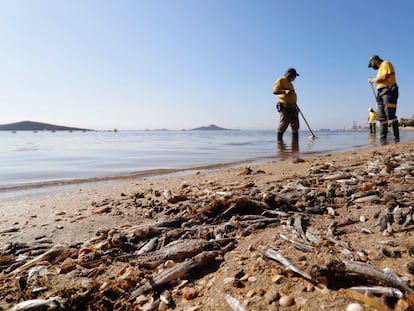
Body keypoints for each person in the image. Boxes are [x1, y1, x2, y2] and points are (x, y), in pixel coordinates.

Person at [368, 55, 399, 140]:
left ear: (375, 61)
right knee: (381, 116)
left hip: (389, 91)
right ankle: (383, 140)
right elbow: (380, 78)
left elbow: (384, 77)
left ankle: (396, 138)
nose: (373, 67)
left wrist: (373, 80)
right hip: (381, 93)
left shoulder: (385, 63)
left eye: (372, 65)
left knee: (390, 114)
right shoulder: (379, 70)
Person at [272, 68, 300, 141]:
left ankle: (295, 146)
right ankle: (280, 144)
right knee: (283, 125)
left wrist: (295, 104)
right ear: (290, 74)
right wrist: (285, 91)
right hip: (285, 106)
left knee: (295, 126)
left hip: (293, 106)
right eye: (294, 76)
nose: (295, 78)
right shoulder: (281, 80)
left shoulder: (290, 83)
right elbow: (274, 91)